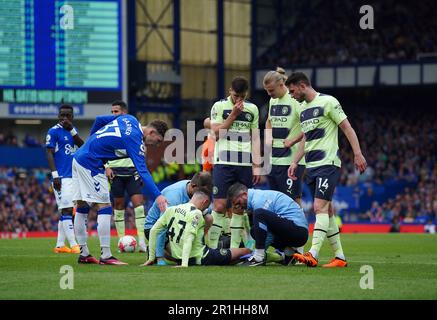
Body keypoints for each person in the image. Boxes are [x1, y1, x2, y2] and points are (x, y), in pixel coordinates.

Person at [286, 72, 367, 267]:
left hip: (327, 163)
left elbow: (347, 128)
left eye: (292, 90)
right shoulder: (303, 109)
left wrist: (357, 153)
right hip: (311, 166)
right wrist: (295, 161)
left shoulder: (328, 102)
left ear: (303, 85)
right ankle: (340, 257)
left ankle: (312, 254)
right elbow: (306, 138)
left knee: (318, 207)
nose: (291, 95)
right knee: (328, 211)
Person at [72, 113, 168, 265]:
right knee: (105, 206)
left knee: (82, 205)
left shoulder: (129, 118)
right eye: (158, 141)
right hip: (91, 163)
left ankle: (84, 254)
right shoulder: (135, 140)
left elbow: (99, 119)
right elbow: (142, 170)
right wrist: (158, 195)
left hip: (79, 157)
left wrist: (90, 142)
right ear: (151, 132)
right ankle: (106, 255)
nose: (156, 145)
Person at [208, 76, 261, 250]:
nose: (239, 100)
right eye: (236, 95)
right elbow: (216, 134)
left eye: (242, 97)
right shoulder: (219, 106)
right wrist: (233, 114)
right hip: (223, 162)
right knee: (220, 205)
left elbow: (255, 138)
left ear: (246, 94)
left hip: (244, 164)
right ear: (230, 91)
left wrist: (257, 165)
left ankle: (234, 249)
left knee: (240, 205)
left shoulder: (252, 109)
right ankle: (213, 248)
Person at [143, 189, 250, 267]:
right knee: (243, 251)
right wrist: (184, 265)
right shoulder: (196, 213)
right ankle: (260, 256)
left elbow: (153, 231)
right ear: (205, 202)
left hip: (177, 256)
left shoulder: (171, 209)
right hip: (201, 256)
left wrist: (151, 258)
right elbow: (189, 238)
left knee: (231, 260)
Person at [227, 183, 308, 266]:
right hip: (296, 230)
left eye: (237, 202)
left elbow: (269, 233)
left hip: (298, 231)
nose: (238, 206)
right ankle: (289, 254)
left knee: (259, 214)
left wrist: (255, 254)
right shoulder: (257, 198)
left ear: (244, 195)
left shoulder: (258, 200)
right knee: (254, 231)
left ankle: (258, 257)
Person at [104, 101, 147, 252]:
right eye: (112, 112)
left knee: (139, 206)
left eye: (116, 111)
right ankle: (121, 241)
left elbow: (142, 148)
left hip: (132, 172)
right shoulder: (109, 128)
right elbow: (102, 147)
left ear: (124, 112)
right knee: (119, 206)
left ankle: (142, 241)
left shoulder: (134, 126)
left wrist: (140, 169)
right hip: (115, 172)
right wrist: (106, 166)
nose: (113, 114)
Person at [144, 171, 213, 265]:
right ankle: (156, 251)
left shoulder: (197, 187)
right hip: (155, 227)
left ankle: (197, 246)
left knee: (208, 218)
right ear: (193, 186)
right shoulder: (173, 198)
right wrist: (159, 258)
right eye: (201, 191)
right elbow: (161, 227)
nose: (203, 194)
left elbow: (206, 209)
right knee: (182, 259)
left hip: (179, 224)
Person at [263, 69, 305, 205]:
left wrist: (293, 140)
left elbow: (309, 127)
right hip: (273, 160)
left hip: (291, 161)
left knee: (292, 200)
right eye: (267, 91)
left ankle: (299, 226)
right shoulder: (272, 101)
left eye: (271, 90)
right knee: (276, 201)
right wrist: (268, 138)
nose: (269, 94)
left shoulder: (296, 99)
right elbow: (269, 121)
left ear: (281, 85)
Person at [46, 104, 84, 254]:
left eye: (68, 115)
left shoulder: (73, 132)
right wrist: (55, 175)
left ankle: (60, 244)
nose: (65, 118)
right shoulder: (53, 131)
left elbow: (82, 146)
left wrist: (72, 130)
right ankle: (74, 244)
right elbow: (49, 153)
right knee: (67, 209)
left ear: (72, 117)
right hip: (62, 177)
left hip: (74, 177)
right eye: (62, 115)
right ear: (58, 116)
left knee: (67, 210)